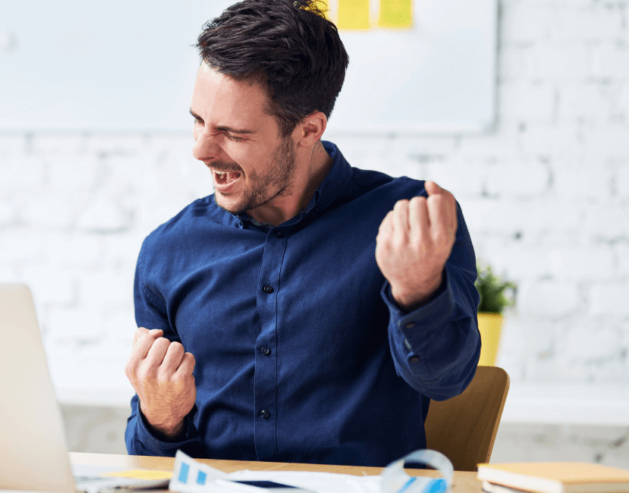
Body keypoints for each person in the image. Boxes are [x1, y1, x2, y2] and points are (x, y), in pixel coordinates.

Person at [123, 0, 480, 467]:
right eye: (197, 121)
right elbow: (147, 463)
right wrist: (160, 418)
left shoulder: (409, 224)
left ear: (308, 128)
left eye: (232, 133)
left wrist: (418, 291)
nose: (200, 150)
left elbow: (446, 380)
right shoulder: (167, 252)